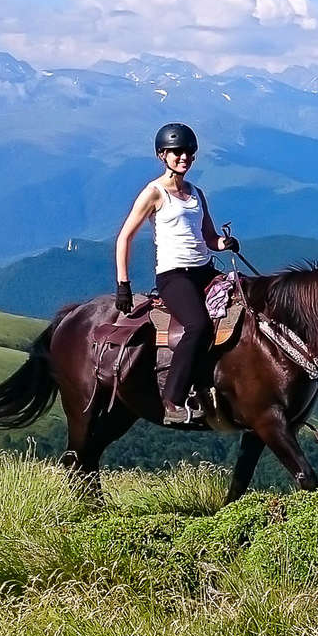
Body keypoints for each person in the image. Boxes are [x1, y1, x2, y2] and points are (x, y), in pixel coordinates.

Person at [114, 122, 240, 424]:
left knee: (246, 303)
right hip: (174, 276)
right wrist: (123, 283)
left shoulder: (196, 193)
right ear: (163, 155)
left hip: (204, 269)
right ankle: (173, 400)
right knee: (198, 326)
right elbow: (124, 237)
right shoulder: (154, 193)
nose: (184, 157)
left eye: (189, 153)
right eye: (177, 152)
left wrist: (224, 243)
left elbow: (208, 236)